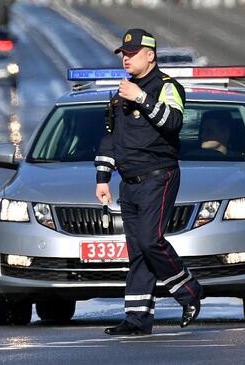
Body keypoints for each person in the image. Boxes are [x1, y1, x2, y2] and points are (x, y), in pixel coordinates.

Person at [94, 28, 203, 336]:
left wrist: (141, 97)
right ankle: (137, 319)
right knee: (137, 251)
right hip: (128, 182)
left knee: (150, 240)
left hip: (159, 175)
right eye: (124, 54)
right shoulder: (121, 92)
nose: (126, 59)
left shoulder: (166, 86)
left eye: (132, 54)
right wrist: (103, 178)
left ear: (150, 56)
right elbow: (112, 139)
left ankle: (190, 292)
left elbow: (173, 121)